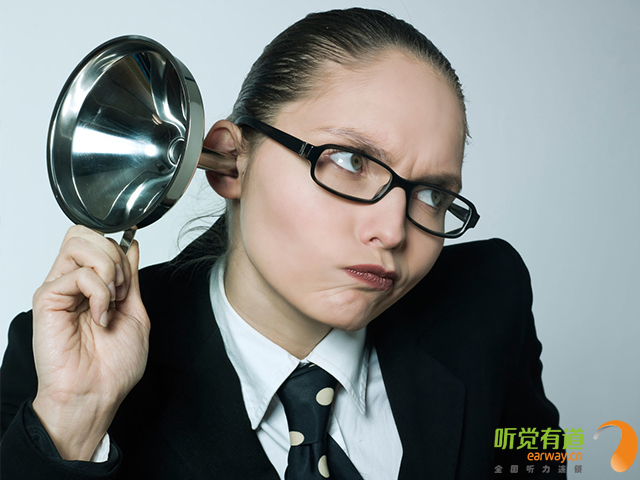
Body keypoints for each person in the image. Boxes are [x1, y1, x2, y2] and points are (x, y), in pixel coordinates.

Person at [0, 8, 565, 479]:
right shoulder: (66, 355)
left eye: (432, 195)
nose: (392, 232)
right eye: (351, 162)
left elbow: (538, 463)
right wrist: (74, 419)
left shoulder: (488, 301)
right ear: (230, 160)